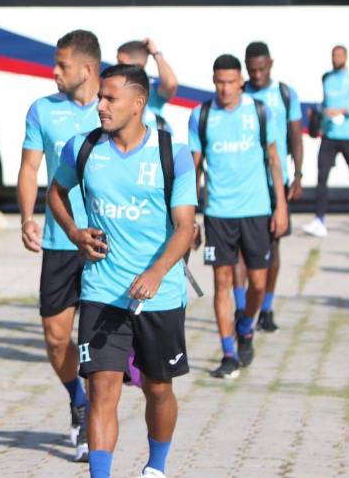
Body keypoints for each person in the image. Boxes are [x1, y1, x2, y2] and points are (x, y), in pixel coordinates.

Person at [48, 64, 197, 478]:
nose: (100, 105)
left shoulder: (172, 153)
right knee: (102, 389)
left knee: (159, 388)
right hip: (101, 291)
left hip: (160, 295)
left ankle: (156, 467)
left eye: (110, 98)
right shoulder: (82, 148)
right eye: (99, 97)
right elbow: (55, 192)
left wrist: (157, 273)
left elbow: (186, 227)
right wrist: (76, 233)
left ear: (138, 103)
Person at [16, 29, 100, 462]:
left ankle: (95, 422)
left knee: (95, 341)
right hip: (59, 240)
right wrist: (28, 217)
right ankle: (77, 397)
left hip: (107, 242)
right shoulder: (42, 110)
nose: (54, 71)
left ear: (87, 69)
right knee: (55, 338)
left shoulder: (113, 106)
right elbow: (30, 168)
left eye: (62, 65)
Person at [189, 54, 288, 380]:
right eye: (219, 82)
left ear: (241, 82)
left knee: (258, 284)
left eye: (230, 82)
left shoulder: (259, 112)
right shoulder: (201, 115)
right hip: (218, 213)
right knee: (222, 283)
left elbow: (273, 160)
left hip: (257, 211)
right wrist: (189, 215)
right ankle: (228, 353)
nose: (224, 88)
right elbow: (194, 169)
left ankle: (246, 325)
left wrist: (282, 206)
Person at [241, 41, 303, 332]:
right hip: (246, 183)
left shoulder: (285, 94)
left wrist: (299, 175)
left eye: (261, 69)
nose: (256, 75)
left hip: (276, 181)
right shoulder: (239, 94)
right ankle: (243, 307)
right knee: (242, 251)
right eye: (251, 70)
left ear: (271, 65)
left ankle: (266, 306)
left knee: (272, 248)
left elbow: (296, 136)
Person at [303, 45, 349, 238]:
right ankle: (319, 220)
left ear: (346, 57)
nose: (336, 58)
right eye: (334, 55)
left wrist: (343, 110)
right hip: (330, 135)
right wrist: (319, 114)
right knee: (322, 176)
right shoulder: (327, 78)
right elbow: (326, 104)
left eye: (340, 55)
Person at [115, 39, 179, 132]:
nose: (117, 68)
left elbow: (171, 84)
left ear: (139, 65)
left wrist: (156, 54)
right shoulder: (113, 86)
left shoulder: (152, 88)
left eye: (121, 64)